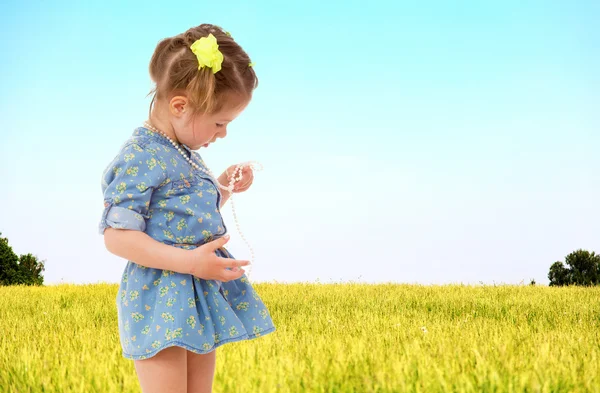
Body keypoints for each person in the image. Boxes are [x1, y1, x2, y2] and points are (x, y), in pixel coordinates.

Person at [98, 23, 276, 393]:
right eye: (219, 122)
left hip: (196, 291)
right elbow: (117, 237)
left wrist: (223, 186)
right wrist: (191, 262)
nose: (222, 133)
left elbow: (186, 217)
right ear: (180, 105)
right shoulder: (142, 156)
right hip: (160, 293)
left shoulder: (183, 152)